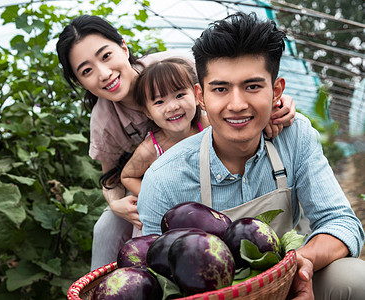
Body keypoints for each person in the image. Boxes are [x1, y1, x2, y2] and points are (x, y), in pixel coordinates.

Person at [137, 12, 365, 299]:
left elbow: (341, 222)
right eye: (220, 89)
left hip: (288, 282)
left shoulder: (294, 136)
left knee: (356, 280)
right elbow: (152, 269)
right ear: (200, 96)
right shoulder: (165, 176)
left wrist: (300, 264)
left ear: (276, 91)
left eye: (253, 86)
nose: (237, 104)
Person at [56, 14, 296, 271]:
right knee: (107, 227)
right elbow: (112, 178)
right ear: (80, 82)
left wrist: (278, 104)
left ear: (124, 47)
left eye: (106, 56)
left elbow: (237, 83)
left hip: (209, 171)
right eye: (87, 71)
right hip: (151, 190)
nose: (104, 74)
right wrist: (116, 203)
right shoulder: (104, 120)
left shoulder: (174, 65)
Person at [120, 58, 211, 196]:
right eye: (159, 101)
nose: (173, 107)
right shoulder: (150, 150)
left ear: (196, 95)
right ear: (148, 112)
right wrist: (158, 199)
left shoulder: (208, 127)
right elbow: (128, 177)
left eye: (180, 95)